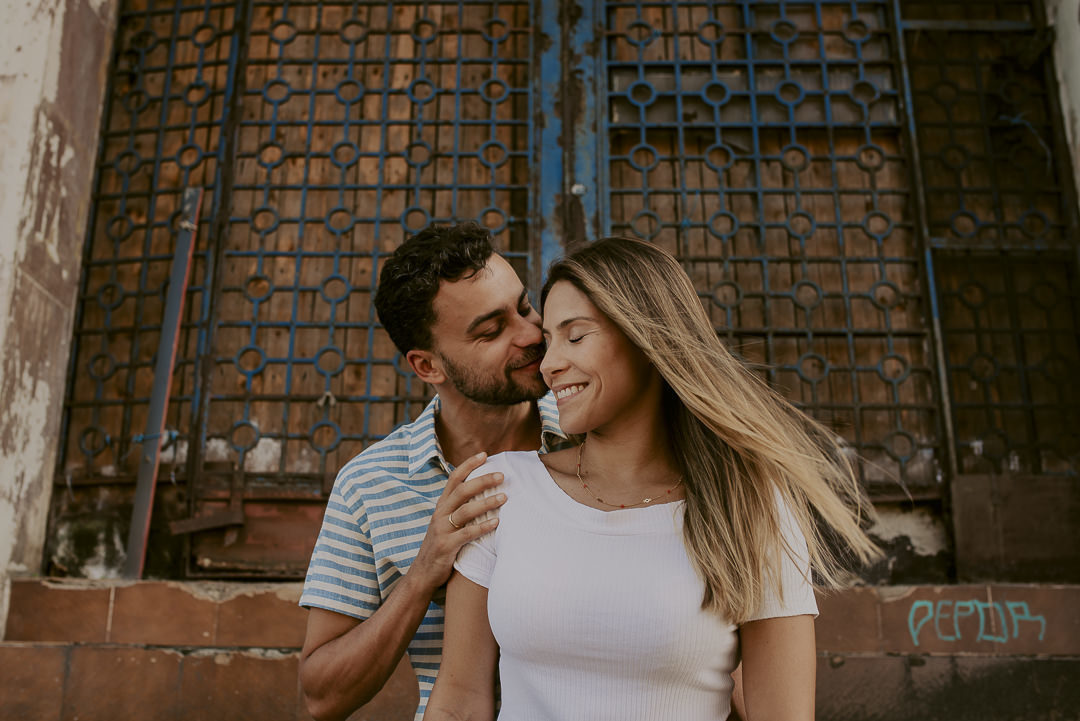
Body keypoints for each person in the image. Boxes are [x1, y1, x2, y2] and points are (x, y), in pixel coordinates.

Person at [425, 236, 880, 721]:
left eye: (575, 336)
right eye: (548, 341)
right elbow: (459, 703)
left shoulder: (749, 506)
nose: (550, 364)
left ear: (647, 340)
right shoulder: (500, 489)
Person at [298, 222, 568, 721]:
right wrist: (424, 572)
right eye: (492, 330)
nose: (531, 335)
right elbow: (321, 696)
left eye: (525, 307)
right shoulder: (369, 485)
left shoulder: (597, 440)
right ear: (427, 367)